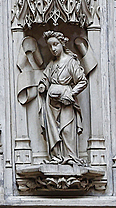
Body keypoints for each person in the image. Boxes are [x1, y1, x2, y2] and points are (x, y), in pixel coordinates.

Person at [38, 30, 87, 165]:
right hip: (51, 104)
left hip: (65, 102)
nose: (53, 49)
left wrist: (70, 94)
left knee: (66, 130)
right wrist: (43, 85)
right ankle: (57, 157)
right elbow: (45, 78)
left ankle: (71, 157)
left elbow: (82, 81)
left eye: (55, 44)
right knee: (53, 131)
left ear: (62, 44)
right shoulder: (52, 64)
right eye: (50, 46)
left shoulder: (71, 62)